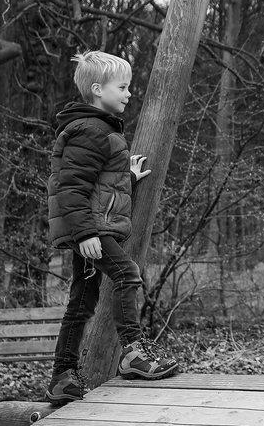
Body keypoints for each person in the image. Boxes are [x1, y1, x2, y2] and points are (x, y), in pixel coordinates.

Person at [44, 50, 179, 404]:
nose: (128, 93)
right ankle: (134, 351)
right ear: (97, 89)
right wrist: (86, 233)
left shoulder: (97, 130)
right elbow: (71, 188)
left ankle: (62, 376)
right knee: (127, 274)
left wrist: (126, 178)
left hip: (90, 226)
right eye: (122, 87)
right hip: (91, 230)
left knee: (82, 302)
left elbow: (97, 185)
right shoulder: (91, 130)